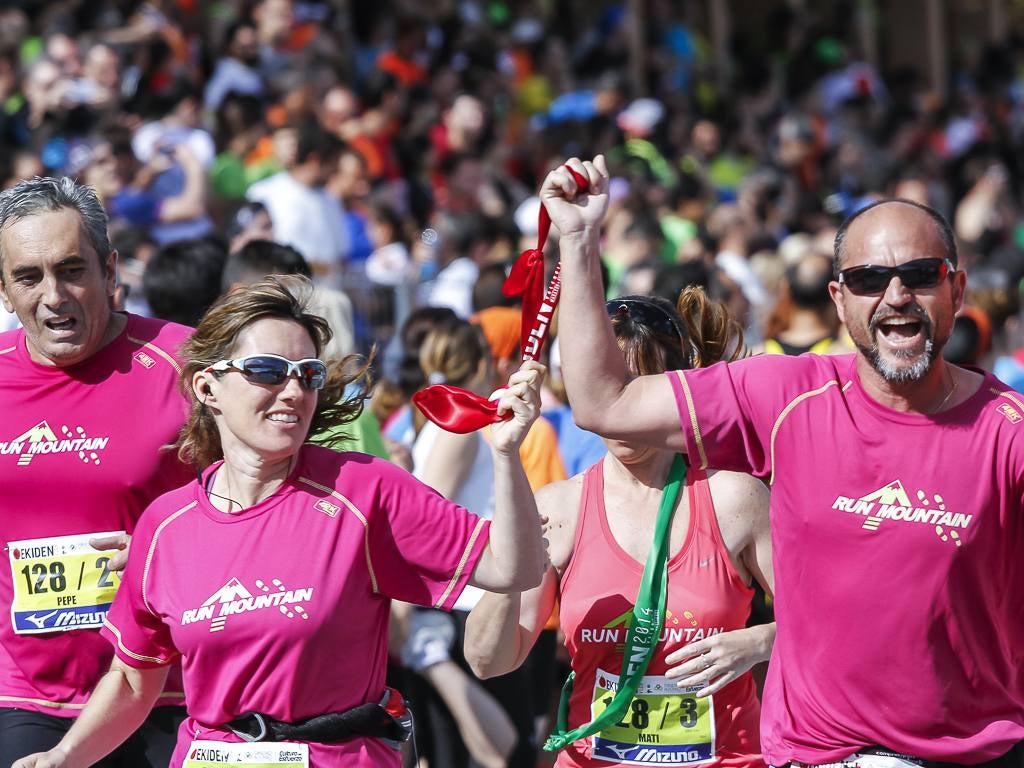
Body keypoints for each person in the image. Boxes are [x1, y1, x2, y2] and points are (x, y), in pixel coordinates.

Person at [547, 156, 1024, 766]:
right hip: (815, 755)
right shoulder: (786, 395)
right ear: (839, 299)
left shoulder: (1006, 433)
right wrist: (581, 241)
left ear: (956, 289)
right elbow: (603, 402)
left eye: (920, 274)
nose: (896, 296)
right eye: (869, 279)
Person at [13, 274, 548, 768]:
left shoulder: (363, 489)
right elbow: (133, 680)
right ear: (207, 388)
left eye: (308, 374)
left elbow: (512, 569)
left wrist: (507, 455)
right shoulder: (165, 525)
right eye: (268, 371)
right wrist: (63, 757)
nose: (293, 391)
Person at [465, 291, 774, 767]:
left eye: (637, 384)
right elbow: (488, 661)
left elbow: (824, 626)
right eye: (605, 382)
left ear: (675, 386)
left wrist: (756, 643)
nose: (619, 403)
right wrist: (509, 485)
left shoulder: (735, 498)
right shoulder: (560, 507)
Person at [0, 177, 193, 766]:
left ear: (110, 271)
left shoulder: (186, 365)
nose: (53, 295)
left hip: (172, 686)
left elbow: (259, 504)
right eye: (29, 277)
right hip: (27, 694)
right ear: (5, 290)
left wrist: (164, 552)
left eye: (71, 269)